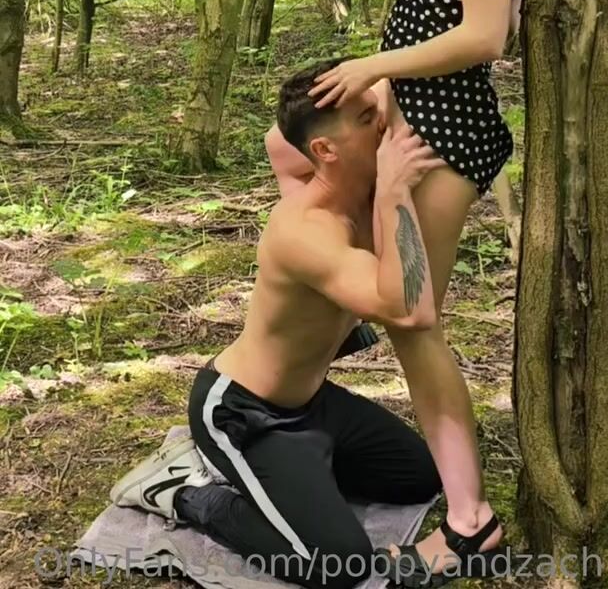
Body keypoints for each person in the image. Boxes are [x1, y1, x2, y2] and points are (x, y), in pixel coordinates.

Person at [110, 65, 504, 588]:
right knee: (340, 564)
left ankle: (296, 479)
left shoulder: (349, 179)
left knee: (419, 478)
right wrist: (394, 192)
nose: (384, 124)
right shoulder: (304, 230)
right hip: (244, 412)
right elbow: (410, 313)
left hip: (313, 404)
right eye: (365, 119)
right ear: (323, 150)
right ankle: (188, 494)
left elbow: (281, 137)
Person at [301, 0, 525, 581]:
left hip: (441, 134)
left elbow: (485, 34)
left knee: (414, 319)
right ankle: (323, 365)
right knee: (392, 303)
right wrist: (386, 83)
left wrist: (377, 66)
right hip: (412, 118)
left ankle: (471, 524)